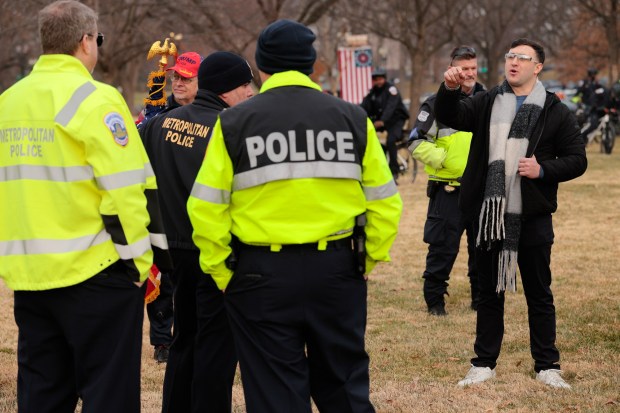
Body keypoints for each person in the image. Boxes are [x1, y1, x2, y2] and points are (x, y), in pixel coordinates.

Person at [187, 19, 402, 413]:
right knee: (344, 385)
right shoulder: (352, 118)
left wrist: (222, 272)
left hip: (258, 274)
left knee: (275, 394)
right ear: (312, 64)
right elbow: (386, 200)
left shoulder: (233, 122)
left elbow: (204, 205)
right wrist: (367, 257)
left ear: (261, 67)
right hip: (338, 268)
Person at [0, 1, 171, 412]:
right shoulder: (96, 99)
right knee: (108, 394)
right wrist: (139, 265)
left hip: (31, 278)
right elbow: (126, 192)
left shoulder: (9, 102)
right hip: (96, 274)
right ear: (85, 42)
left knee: (42, 395)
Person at [435, 38, 587, 389]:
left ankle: (547, 365)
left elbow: (578, 159)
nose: (514, 62)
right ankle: (483, 363)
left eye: (523, 58)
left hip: (532, 215)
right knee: (489, 292)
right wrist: (449, 89)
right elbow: (450, 115)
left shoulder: (553, 109)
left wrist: (543, 170)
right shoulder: (488, 101)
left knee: (539, 292)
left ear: (538, 67)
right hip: (488, 215)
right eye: (510, 57)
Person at [140, 51, 254, 413]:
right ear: (225, 89)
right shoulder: (231, 127)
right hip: (213, 250)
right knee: (217, 347)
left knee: (184, 338)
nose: (250, 92)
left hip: (172, 252)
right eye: (244, 85)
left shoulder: (160, 124)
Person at [409, 45, 485, 316]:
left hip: (480, 190)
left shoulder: (487, 99)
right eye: (464, 68)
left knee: (483, 249)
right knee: (442, 249)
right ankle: (435, 302)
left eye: (474, 68)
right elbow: (415, 141)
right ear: (452, 68)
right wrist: (444, 159)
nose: (469, 73)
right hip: (448, 189)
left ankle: (481, 300)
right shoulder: (435, 103)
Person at [140, 51, 202, 364]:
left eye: (186, 78)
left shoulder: (213, 116)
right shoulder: (157, 113)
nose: (178, 82)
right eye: (176, 76)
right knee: (163, 283)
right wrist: (147, 118)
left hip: (197, 218)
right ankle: (163, 341)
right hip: (163, 213)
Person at [361, 67, 409, 182]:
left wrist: (382, 120)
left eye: (380, 79)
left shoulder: (391, 90)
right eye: (375, 79)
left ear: (384, 79)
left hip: (396, 119)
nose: (378, 81)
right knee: (369, 139)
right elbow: (364, 106)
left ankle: (394, 171)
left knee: (391, 140)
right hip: (381, 121)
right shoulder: (373, 93)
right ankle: (383, 161)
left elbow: (390, 107)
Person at [138, 51, 202, 127]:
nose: (178, 84)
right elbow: (134, 135)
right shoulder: (156, 108)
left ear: (201, 81)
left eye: (185, 79)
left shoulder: (209, 112)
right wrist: (149, 125)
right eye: (176, 77)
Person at [576, 68, 610, 144]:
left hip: (595, 108)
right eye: (593, 74)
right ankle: (581, 137)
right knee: (586, 123)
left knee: (595, 123)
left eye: (595, 74)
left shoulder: (597, 84)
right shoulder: (584, 83)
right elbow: (577, 94)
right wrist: (579, 103)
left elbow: (602, 95)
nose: (594, 76)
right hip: (586, 107)